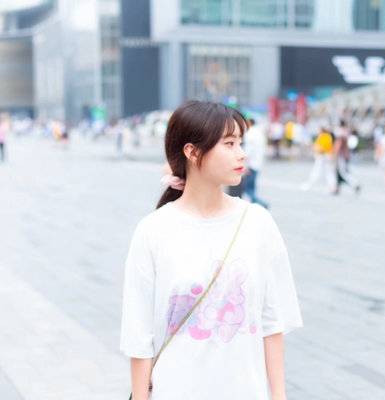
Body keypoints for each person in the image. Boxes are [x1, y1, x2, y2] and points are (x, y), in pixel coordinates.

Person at [120, 100, 303, 400]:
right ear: (192, 152)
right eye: (229, 144)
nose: (241, 153)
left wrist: (279, 396)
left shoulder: (257, 223)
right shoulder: (153, 231)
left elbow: (273, 322)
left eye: (240, 143)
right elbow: (138, 337)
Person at [243, 118, 270, 208]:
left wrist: (245, 165)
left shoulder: (250, 134)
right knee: (251, 187)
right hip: (258, 163)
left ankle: (262, 204)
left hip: (251, 165)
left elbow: (248, 151)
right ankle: (255, 205)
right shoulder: (259, 133)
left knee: (247, 188)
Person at [301, 127, 336, 193]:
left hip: (323, 157)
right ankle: (332, 187)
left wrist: (312, 146)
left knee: (316, 171)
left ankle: (309, 185)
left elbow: (320, 148)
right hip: (328, 156)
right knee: (329, 173)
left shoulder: (323, 136)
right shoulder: (328, 136)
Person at [332, 119, 361, 195]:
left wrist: (334, 155)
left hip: (341, 156)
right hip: (346, 155)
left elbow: (338, 146)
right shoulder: (347, 133)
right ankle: (336, 188)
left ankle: (355, 184)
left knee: (343, 172)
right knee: (339, 172)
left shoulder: (340, 134)